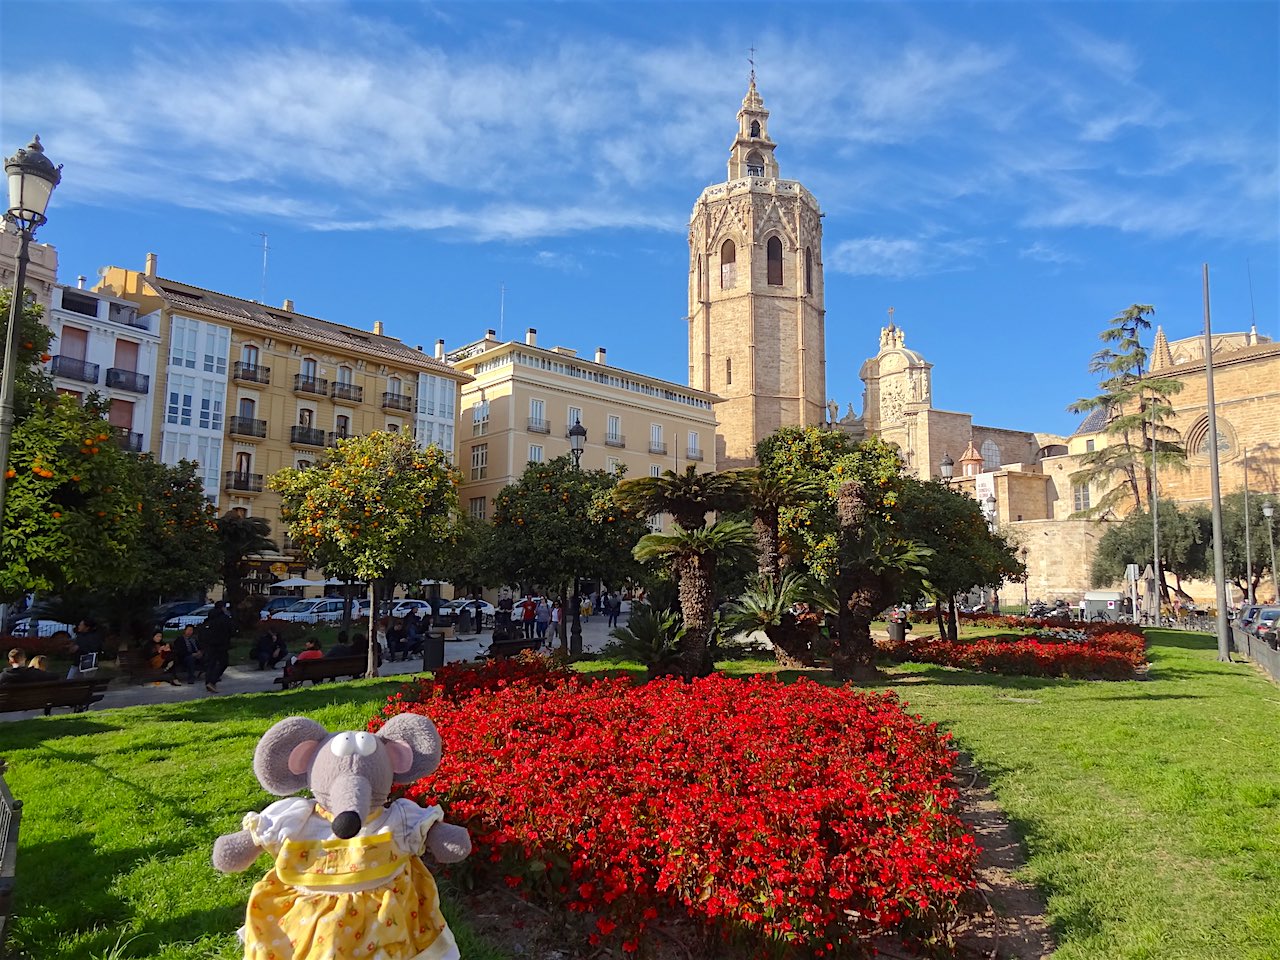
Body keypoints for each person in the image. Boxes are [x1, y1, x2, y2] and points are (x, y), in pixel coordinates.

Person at [201, 601, 235, 693]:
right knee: (223, 663)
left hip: (209, 644)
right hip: (221, 644)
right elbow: (232, 631)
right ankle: (212, 681)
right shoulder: (225, 618)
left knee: (211, 663)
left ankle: (208, 682)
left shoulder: (210, 618)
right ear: (223, 608)